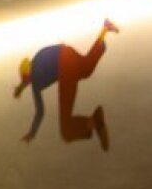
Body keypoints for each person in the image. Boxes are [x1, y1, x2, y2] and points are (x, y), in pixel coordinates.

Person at [15, 18, 117, 148]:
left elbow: (40, 111)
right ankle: (105, 29)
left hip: (64, 67)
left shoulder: (35, 82)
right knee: (86, 69)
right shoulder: (36, 61)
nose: (28, 83)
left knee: (66, 130)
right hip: (68, 52)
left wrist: (32, 132)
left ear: (28, 75)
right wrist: (19, 89)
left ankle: (93, 121)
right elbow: (27, 79)